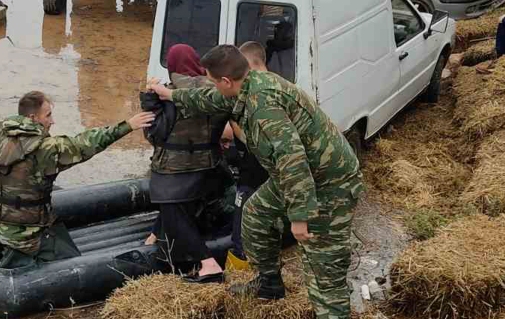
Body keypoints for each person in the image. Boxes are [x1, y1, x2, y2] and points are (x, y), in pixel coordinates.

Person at [148, 45, 364, 319]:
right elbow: (207, 99)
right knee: (255, 216)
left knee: (323, 263)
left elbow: (292, 158)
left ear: (226, 81)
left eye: (215, 81)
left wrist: (299, 215)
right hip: (295, 176)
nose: (214, 87)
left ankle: (333, 313)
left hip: (329, 182)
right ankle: (269, 284)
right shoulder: (245, 86)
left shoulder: (263, 105)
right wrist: (170, 94)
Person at [0, 91, 155, 268]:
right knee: (72, 263)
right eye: (48, 115)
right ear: (32, 117)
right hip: (31, 234)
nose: (52, 121)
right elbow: (86, 144)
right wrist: (127, 126)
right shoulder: (45, 150)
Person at [143, 44, 229, 282]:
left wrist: (149, 101)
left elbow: (154, 134)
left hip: (174, 170)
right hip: (209, 167)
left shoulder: (168, 94)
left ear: (172, 67)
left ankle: (207, 263)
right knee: (181, 210)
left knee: (173, 210)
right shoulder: (215, 92)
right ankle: (157, 234)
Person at [222, 42, 271, 270]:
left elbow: (255, 141)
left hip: (255, 175)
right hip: (271, 176)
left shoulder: (261, 95)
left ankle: (241, 271)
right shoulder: (282, 86)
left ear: (250, 64)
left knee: (241, 228)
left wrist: (231, 122)